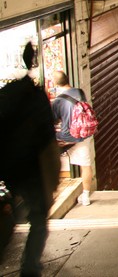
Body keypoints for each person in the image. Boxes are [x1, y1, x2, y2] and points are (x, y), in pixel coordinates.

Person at [0, 42, 59, 276]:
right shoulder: (36, 98)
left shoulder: (5, 97)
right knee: (38, 218)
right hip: (33, 169)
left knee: (12, 211)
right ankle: (30, 266)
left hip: (10, 168)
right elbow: (47, 137)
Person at [51, 70, 95, 205]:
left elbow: (52, 120)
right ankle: (86, 196)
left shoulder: (58, 101)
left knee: (52, 158)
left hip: (66, 136)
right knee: (86, 165)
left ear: (55, 84)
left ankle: (53, 193)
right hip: (82, 134)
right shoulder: (80, 92)